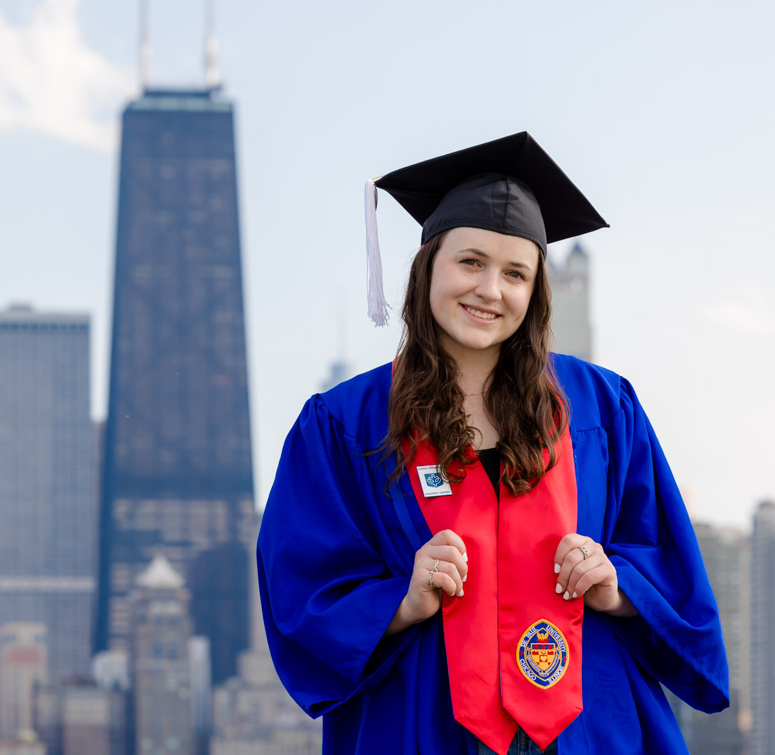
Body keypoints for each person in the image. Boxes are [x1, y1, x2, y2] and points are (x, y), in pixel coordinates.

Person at [257, 132, 729, 755]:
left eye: (515, 274)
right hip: (422, 715)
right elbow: (301, 586)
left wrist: (617, 586)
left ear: (535, 292)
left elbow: (669, 562)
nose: (490, 290)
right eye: (470, 262)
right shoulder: (346, 422)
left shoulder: (600, 408)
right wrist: (401, 599)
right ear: (429, 264)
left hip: (585, 718)